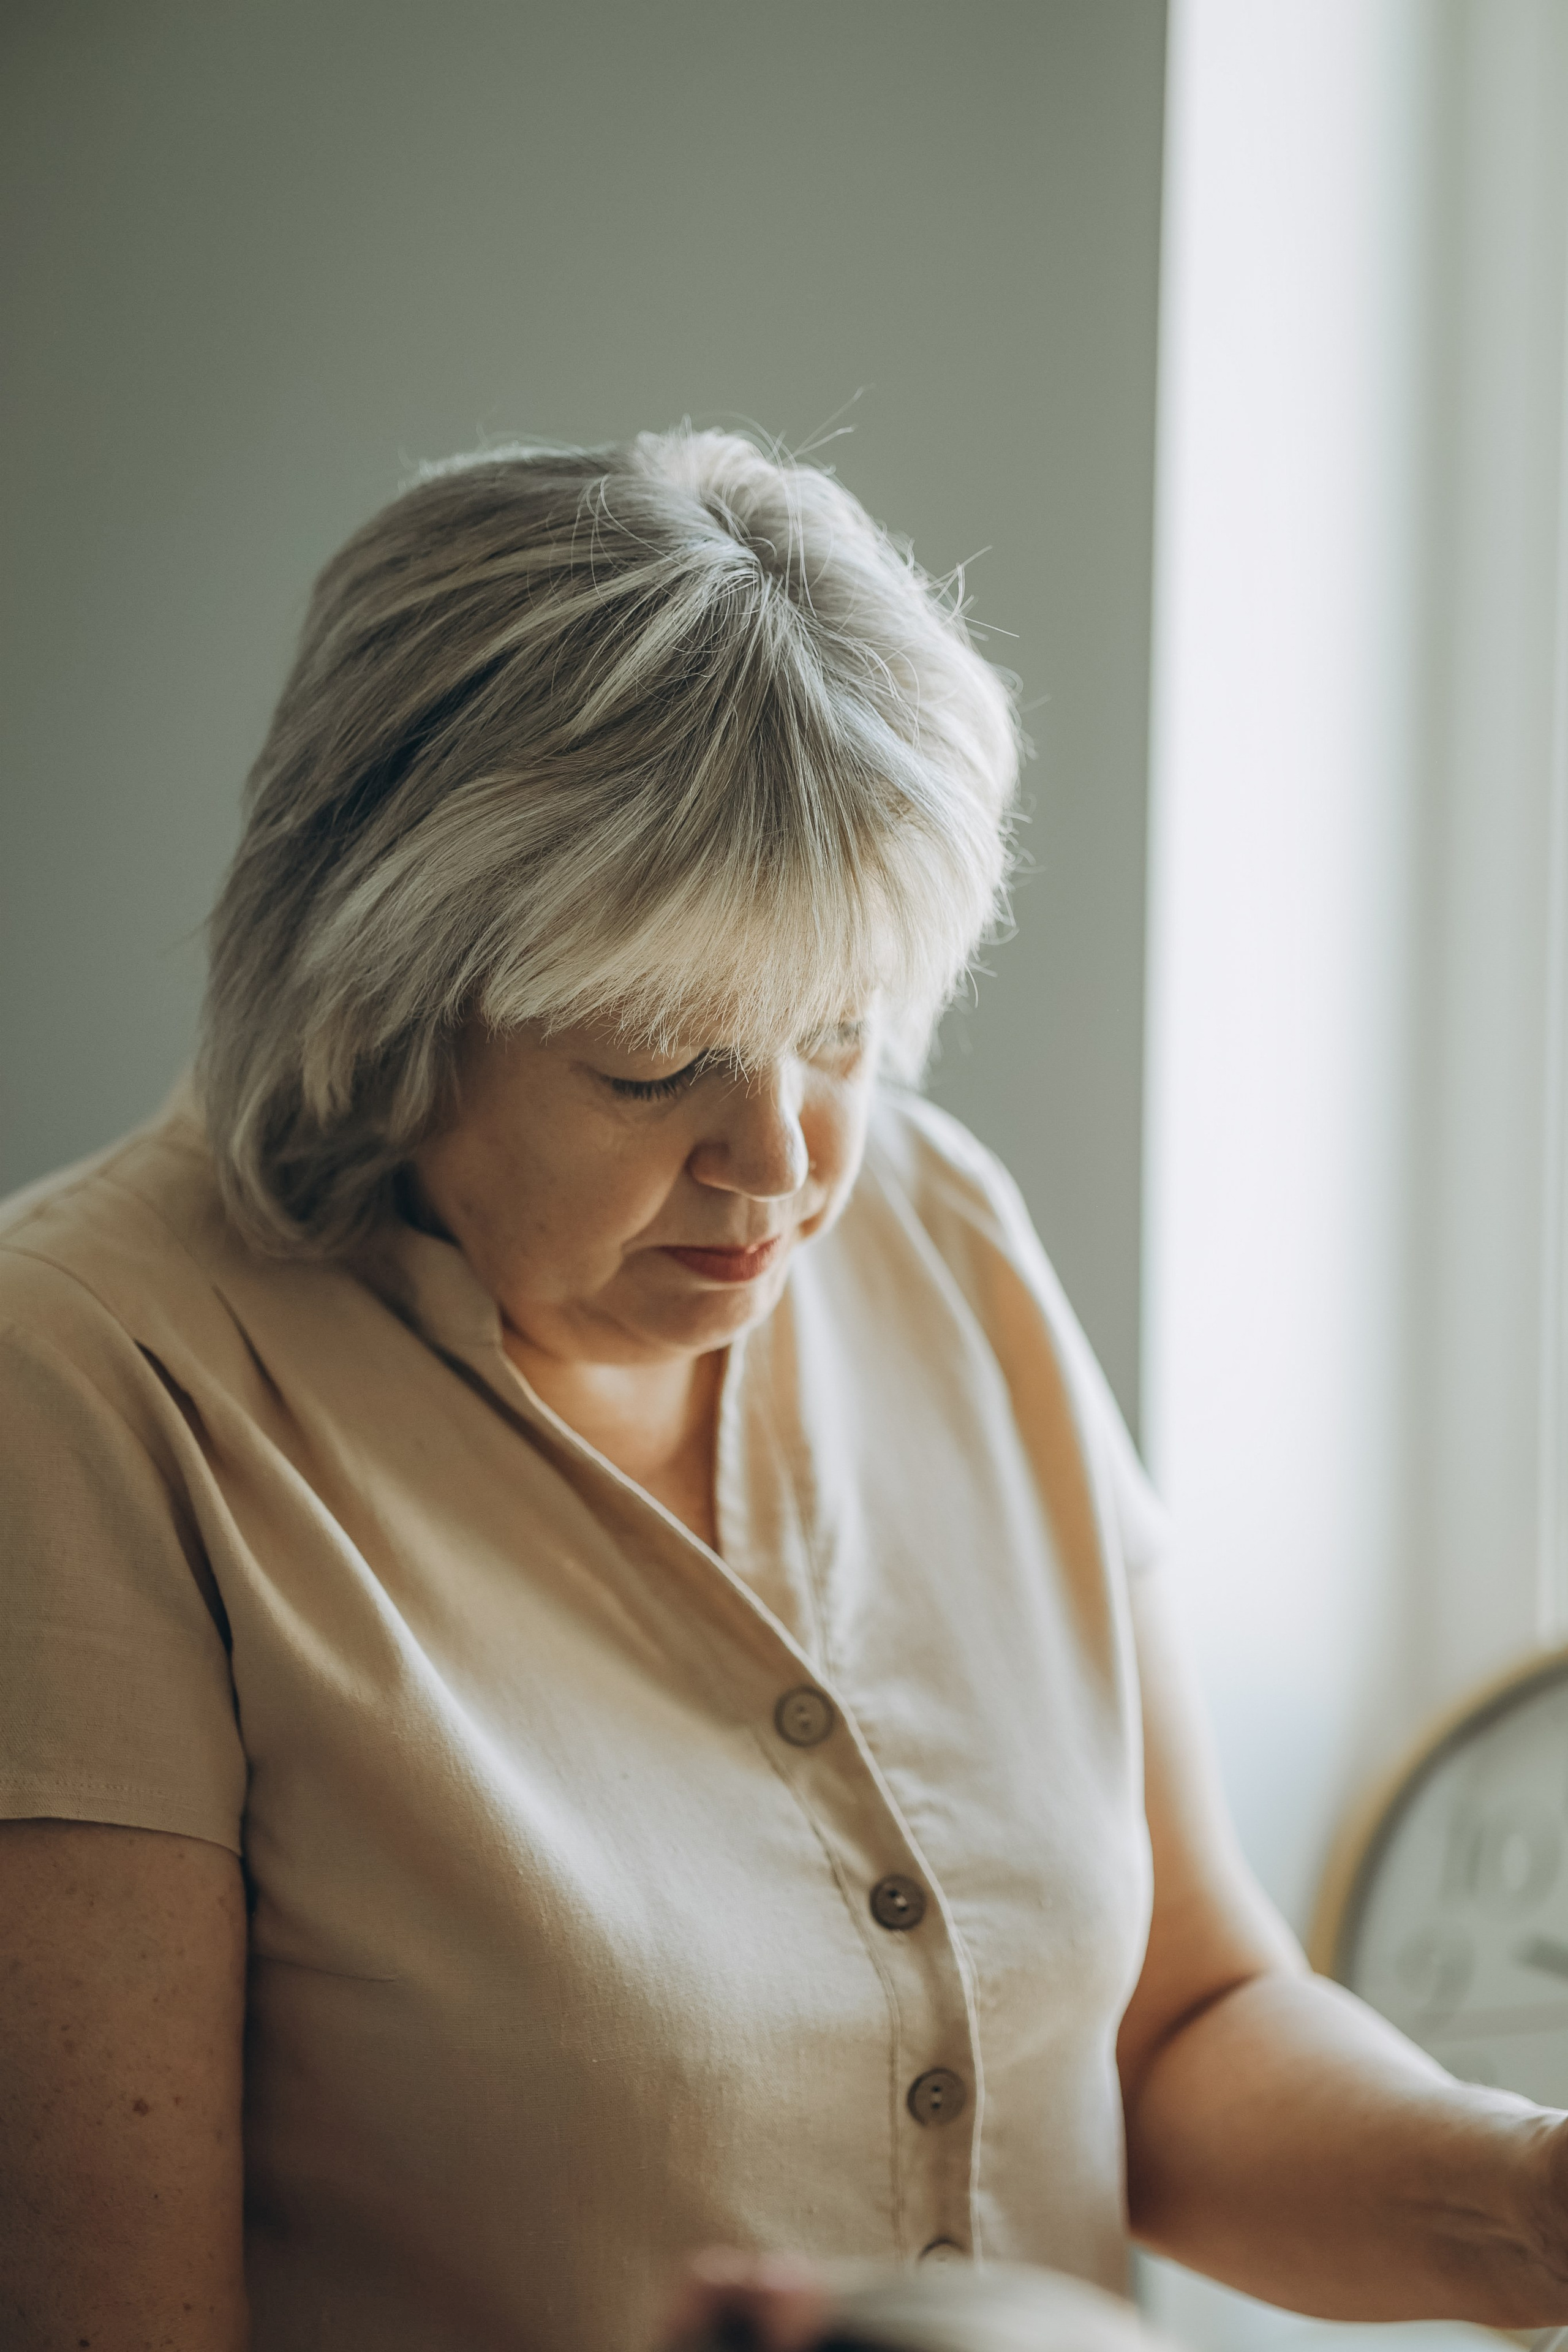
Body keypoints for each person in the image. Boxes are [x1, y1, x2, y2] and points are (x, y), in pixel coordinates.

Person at [3, 429, 1567, 2352]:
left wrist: (1526, 2200)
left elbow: (1178, 2029)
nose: (784, 1166)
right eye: (656, 1069)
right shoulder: (86, 1380)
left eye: (838, 1029)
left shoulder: (936, 1224)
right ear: (383, 1009)